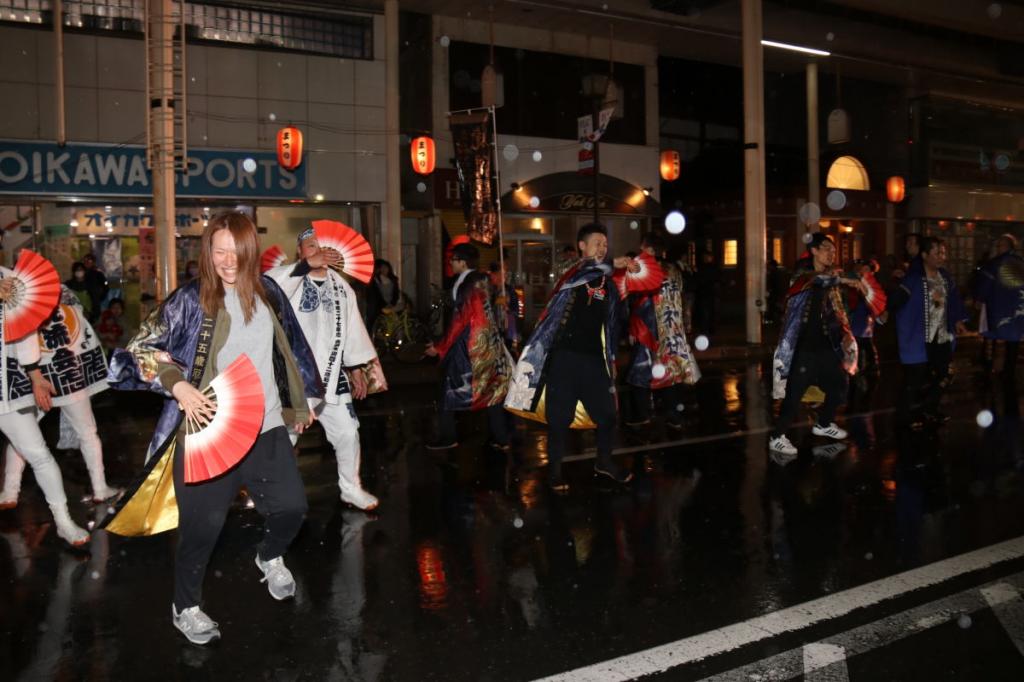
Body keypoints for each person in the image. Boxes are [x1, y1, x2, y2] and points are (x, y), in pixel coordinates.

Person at [103, 211, 324, 645]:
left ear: (250, 252)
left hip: (266, 430)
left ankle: (269, 556)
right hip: (209, 431)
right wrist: (178, 383)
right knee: (201, 530)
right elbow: (138, 350)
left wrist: (301, 403)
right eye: (218, 250)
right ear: (207, 252)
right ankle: (185, 606)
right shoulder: (190, 299)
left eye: (235, 251)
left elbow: (291, 348)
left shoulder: (269, 292)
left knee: (292, 509)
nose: (227, 261)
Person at [505, 223, 637, 491]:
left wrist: (625, 293)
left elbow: (615, 320)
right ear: (582, 246)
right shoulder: (572, 272)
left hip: (593, 360)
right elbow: (588, 273)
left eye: (605, 244)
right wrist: (615, 263)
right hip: (564, 358)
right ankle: (555, 471)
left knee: (608, 416)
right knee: (558, 419)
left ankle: (604, 461)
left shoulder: (608, 283)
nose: (602, 247)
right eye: (597, 243)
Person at [266, 227, 386, 511]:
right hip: (296, 377)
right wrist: (305, 266)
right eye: (310, 246)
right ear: (300, 251)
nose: (318, 251)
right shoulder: (289, 277)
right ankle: (276, 494)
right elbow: (267, 289)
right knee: (286, 436)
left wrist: (356, 368)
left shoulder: (341, 287)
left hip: (332, 375)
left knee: (347, 432)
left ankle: (351, 488)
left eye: (323, 246)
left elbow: (352, 330)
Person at [0, 286, 122, 509]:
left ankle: (10, 491)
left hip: (34, 380)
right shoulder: (70, 304)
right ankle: (99, 487)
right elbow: (86, 339)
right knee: (88, 433)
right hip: (68, 378)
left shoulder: (20, 305)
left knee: (21, 437)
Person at [0, 273, 90, 547]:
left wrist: (36, 375)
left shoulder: (10, 280)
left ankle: (63, 522)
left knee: (38, 453)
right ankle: (9, 490)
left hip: (7, 386)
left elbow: (26, 330)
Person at [769, 234, 863, 456]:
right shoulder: (802, 275)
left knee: (840, 385)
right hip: (803, 347)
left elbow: (839, 312)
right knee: (794, 394)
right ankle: (777, 437)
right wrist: (844, 280)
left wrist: (847, 337)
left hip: (826, 345)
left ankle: (824, 423)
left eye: (833, 249)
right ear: (813, 251)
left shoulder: (831, 277)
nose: (831, 252)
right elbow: (816, 280)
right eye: (826, 248)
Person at [424, 243, 513, 450]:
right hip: (488, 342)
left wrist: (440, 347)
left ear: (462, 262)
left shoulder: (468, 285)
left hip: (469, 345)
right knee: (493, 389)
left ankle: (448, 437)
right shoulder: (482, 280)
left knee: (448, 388)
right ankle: (500, 438)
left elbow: (461, 319)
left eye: (453, 260)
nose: (450, 263)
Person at [625, 232, 701, 429]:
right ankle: (673, 414)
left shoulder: (643, 269)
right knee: (671, 372)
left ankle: (642, 415)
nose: (641, 252)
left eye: (643, 248)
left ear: (650, 249)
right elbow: (683, 297)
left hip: (649, 330)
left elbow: (637, 302)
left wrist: (633, 328)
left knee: (640, 372)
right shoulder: (674, 269)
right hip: (672, 329)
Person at [891, 236, 969, 427]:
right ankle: (904, 416)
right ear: (925, 255)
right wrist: (884, 311)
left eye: (943, 252)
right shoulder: (914, 279)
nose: (941, 257)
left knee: (944, 374)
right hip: (919, 336)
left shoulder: (945, 277)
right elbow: (896, 301)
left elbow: (954, 301)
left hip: (941, 335)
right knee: (915, 378)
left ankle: (929, 408)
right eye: (937, 253)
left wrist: (958, 320)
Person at [974, 234, 1023, 393]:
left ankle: (992, 369)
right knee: (1013, 341)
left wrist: (979, 299)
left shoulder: (994, 264)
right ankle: (1009, 370)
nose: (997, 248)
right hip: (1018, 310)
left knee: (995, 336)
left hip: (998, 308)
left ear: (1004, 247)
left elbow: (984, 285)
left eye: (999, 246)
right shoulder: (1021, 263)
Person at [846, 259, 886, 401]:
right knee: (855, 357)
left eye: (869, 270)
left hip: (867, 329)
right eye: (863, 269)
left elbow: (878, 311)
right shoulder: (852, 283)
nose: (865, 272)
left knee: (869, 357)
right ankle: (854, 383)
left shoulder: (873, 288)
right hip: (855, 328)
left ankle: (866, 384)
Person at [489, 260, 521, 353]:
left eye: (505, 273)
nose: (505, 276)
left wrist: (507, 307)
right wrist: (495, 302)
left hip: (507, 327)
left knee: (508, 351)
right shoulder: (490, 290)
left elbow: (515, 310)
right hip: (493, 327)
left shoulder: (510, 290)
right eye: (502, 273)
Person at [366, 259, 400, 332]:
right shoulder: (376, 280)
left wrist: (392, 303)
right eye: (382, 268)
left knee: (395, 322)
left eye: (386, 267)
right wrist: (384, 304)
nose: (384, 270)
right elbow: (377, 295)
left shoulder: (393, 280)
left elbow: (396, 293)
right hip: (380, 306)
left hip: (391, 304)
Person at [82, 253, 108, 323]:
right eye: (85, 261)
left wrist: (100, 296)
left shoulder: (98, 274)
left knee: (94, 321)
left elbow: (105, 285)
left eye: (89, 261)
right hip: (83, 301)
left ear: (93, 262)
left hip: (95, 301)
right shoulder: (81, 273)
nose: (87, 263)